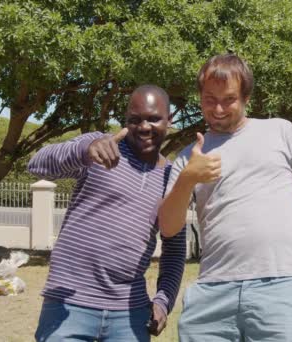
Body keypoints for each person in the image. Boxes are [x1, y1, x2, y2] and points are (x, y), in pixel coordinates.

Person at [158, 54, 292, 341]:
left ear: (246, 97)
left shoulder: (280, 131)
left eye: (228, 99)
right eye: (209, 99)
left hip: (280, 288)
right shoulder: (189, 158)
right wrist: (188, 178)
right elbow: (168, 228)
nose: (218, 108)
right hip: (212, 294)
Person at [28, 85, 186, 342]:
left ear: (169, 120)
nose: (144, 127)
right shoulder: (101, 147)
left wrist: (163, 301)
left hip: (130, 315)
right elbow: (37, 164)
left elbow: (175, 248)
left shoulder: (172, 178)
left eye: (153, 119)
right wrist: (84, 151)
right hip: (69, 305)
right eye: (134, 120)